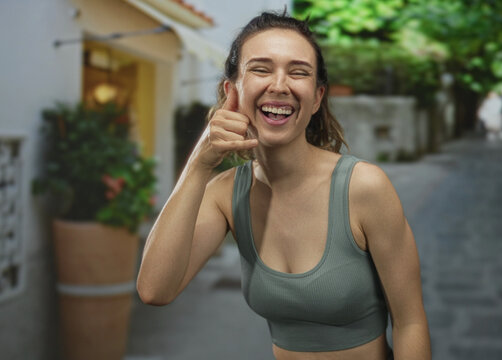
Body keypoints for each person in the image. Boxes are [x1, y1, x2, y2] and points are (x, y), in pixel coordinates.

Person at [136, 11, 431, 360]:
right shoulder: (225, 194)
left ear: (317, 97)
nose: (279, 85)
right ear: (232, 91)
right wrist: (199, 163)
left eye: (298, 72)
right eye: (261, 68)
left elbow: (410, 322)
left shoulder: (363, 187)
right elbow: (155, 289)